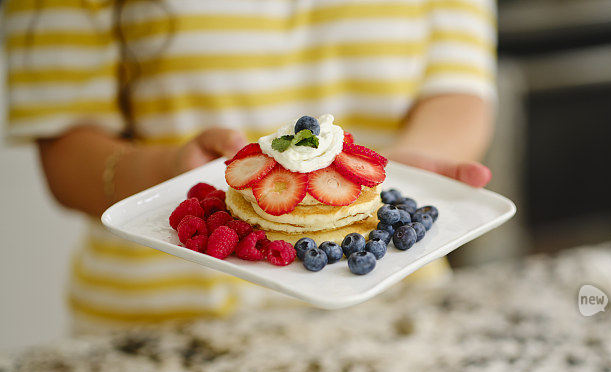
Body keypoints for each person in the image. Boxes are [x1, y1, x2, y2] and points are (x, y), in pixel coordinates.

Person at [4, 0, 496, 329]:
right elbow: (66, 152)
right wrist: (174, 171)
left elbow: (459, 86)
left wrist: (398, 171)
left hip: (387, 306)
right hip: (161, 328)